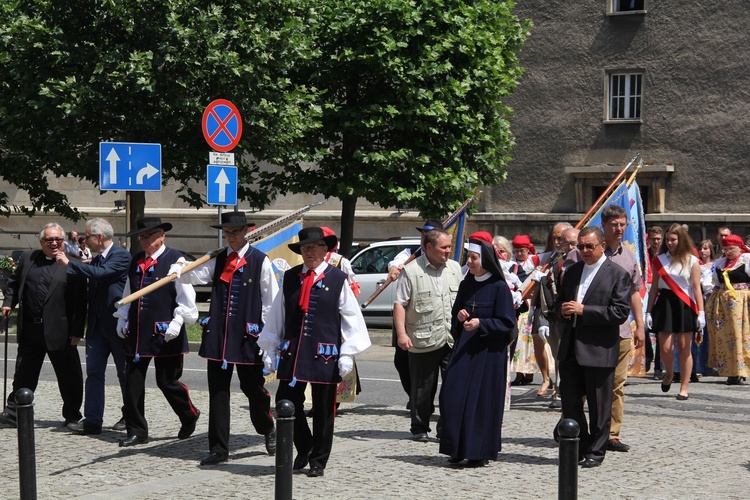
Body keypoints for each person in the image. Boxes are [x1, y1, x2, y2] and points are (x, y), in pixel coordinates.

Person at [259, 226, 370, 478]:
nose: (308, 252)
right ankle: (305, 446)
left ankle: (319, 459)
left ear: (325, 250)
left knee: (322, 409)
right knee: (285, 402)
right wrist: (269, 346)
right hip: (294, 351)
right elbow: (279, 314)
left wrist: (347, 353)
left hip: (325, 352)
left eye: (313, 247)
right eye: (304, 248)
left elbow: (351, 319)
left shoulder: (337, 279)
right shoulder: (290, 277)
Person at [173, 212, 278, 465]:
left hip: (247, 337)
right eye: (227, 233)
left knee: (252, 388)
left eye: (236, 232)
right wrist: (180, 267)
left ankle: (267, 427)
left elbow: (270, 302)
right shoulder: (218, 258)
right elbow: (192, 277)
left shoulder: (260, 261)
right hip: (219, 337)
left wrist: (268, 339)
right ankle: (218, 448)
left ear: (246, 232)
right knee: (218, 393)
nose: (231, 237)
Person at [112, 218, 200, 447]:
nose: (144, 240)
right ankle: (137, 430)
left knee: (167, 382)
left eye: (149, 235)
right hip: (138, 331)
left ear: (162, 236)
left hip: (165, 331)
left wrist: (178, 321)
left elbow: (186, 299)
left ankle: (189, 414)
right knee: (132, 382)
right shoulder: (136, 261)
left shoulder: (176, 261)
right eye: (142, 237)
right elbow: (129, 291)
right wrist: (123, 317)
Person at [556, 226, 631, 468]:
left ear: (601, 246)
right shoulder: (573, 270)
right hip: (570, 346)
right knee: (569, 400)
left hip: (599, 348)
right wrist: (563, 311)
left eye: (590, 246)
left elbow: (619, 312)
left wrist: (584, 310)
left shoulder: (618, 274)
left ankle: (596, 452)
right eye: (581, 246)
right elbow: (559, 303)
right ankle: (580, 444)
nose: (585, 251)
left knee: (599, 405)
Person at [439, 235, 516, 467]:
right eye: (468, 257)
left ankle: (477, 451)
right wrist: (461, 315)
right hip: (465, 348)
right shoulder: (466, 284)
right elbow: (456, 315)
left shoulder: (499, 287)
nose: (469, 262)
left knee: (481, 402)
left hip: (488, 353)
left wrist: (482, 324)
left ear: (485, 260)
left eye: (473, 258)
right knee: (453, 395)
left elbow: (506, 324)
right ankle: (456, 447)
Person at [0, 223, 86, 428]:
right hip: (31, 329)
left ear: (63, 241)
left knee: (69, 376)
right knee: (23, 372)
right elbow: (13, 283)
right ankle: (14, 412)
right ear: (41, 242)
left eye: (58, 239)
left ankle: (73, 415)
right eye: (49, 240)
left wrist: (77, 332)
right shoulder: (29, 259)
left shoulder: (73, 264)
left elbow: (81, 303)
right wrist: (8, 303)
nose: (54, 243)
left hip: (61, 331)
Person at [59, 218, 131, 435]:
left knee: (125, 374)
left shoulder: (121, 256)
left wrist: (70, 264)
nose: (84, 239)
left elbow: (101, 274)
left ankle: (131, 416)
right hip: (97, 327)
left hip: (117, 325)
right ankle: (92, 421)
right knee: (94, 373)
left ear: (99, 237)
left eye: (87, 236)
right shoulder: (98, 259)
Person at [393, 229, 461, 442]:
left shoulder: (455, 268)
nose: (448, 251)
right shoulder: (411, 270)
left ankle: (446, 427)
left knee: (453, 386)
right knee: (422, 387)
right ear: (428, 247)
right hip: (422, 337)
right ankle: (420, 426)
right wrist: (402, 334)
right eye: (444, 247)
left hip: (451, 337)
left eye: (449, 247)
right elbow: (400, 304)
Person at [595, 205, 645, 453]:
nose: (619, 228)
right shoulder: (590, 252)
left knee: (616, 384)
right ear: (604, 226)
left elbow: (636, 292)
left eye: (622, 224)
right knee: (587, 383)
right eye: (614, 224)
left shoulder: (629, 256)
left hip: (621, 330)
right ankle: (574, 426)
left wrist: (639, 326)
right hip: (592, 330)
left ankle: (612, 434)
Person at [387, 219, 444, 407]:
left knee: (430, 367)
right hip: (407, 315)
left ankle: (424, 402)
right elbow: (395, 262)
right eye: (423, 234)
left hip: (432, 319)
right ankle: (415, 395)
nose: (424, 238)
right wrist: (394, 268)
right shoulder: (410, 253)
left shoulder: (446, 260)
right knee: (402, 362)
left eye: (429, 234)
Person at [646, 224, 704, 400]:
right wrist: (648, 311)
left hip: (685, 305)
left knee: (685, 347)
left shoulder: (692, 261)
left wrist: (701, 313)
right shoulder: (659, 260)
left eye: (673, 239)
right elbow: (654, 287)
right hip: (665, 304)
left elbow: (695, 287)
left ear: (681, 240)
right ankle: (669, 373)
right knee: (665, 347)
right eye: (668, 239)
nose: (670, 243)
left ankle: (684, 387)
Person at [706, 234, 750, 385]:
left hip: (742, 303)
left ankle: (742, 369)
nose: (728, 252)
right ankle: (730, 371)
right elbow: (716, 283)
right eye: (725, 249)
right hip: (724, 304)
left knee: (740, 335)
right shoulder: (720, 263)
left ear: (739, 248)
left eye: (731, 249)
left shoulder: (747, 260)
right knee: (725, 337)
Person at [695, 239, 716, 376]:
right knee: (701, 334)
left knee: (712, 334)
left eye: (706, 248)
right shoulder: (696, 265)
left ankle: (712, 363)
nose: (703, 251)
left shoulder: (716, 264)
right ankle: (700, 365)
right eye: (701, 248)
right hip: (701, 300)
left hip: (714, 301)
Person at [645, 226, 663, 378]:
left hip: (660, 293)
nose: (656, 242)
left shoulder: (665, 255)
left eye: (658, 239)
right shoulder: (644, 255)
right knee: (644, 329)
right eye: (653, 239)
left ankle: (658, 367)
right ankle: (648, 354)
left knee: (659, 332)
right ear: (648, 240)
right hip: (645, 292)